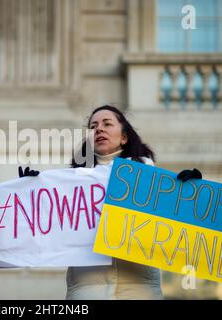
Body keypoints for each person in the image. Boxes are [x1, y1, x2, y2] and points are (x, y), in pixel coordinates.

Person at [19, 104, 202, 300]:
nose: (99, 129)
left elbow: (175, 226)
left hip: (140, 289)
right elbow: (47, 227)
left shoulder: (153, 180)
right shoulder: (69, 184)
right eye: (93, 127)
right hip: (86, 289)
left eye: (107, 124)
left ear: (124, 137)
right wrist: (34, 192)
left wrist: (187, 191)